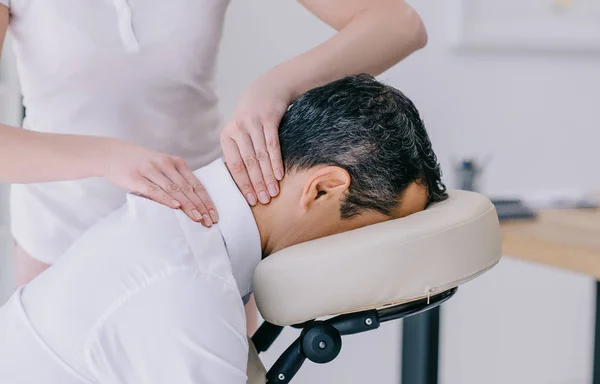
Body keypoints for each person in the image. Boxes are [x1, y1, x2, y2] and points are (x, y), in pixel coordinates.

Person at [0, 75, 447, 384]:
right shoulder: (188, 286)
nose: (365, 254)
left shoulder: (185, 237)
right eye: (375, 232)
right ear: (324, 188)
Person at [0, 0, 429, 296]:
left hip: (204, 241)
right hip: (62, 246)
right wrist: (108, 156)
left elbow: (398, 25)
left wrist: (278, 85)